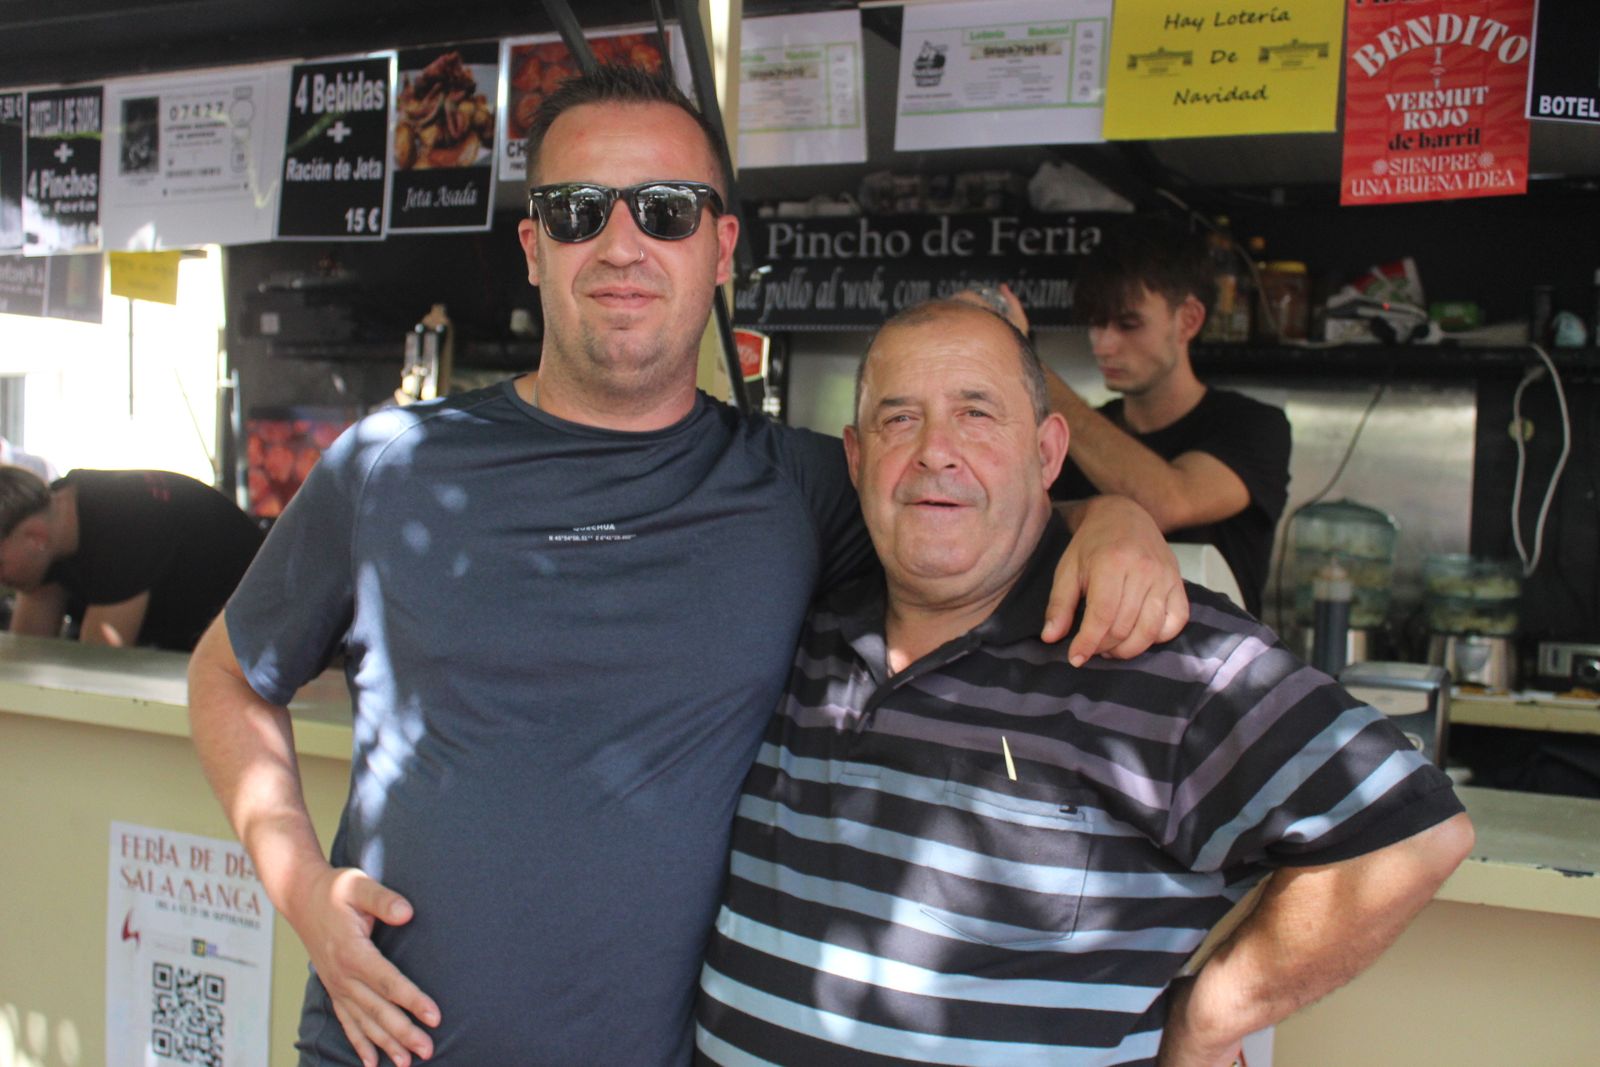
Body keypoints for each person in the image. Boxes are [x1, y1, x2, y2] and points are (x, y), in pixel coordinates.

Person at [187, 67, 1189, 1067]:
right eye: (579, 211)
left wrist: (1111, 520)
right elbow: (227, 674)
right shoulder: (389, 467)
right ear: (534, 246)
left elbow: (969, 513)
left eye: (665, 211)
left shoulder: (799, 488)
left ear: (719, 248)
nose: (621, 244)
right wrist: (300, 887)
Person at [696, 299, 1473, 1066]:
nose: (936, 450)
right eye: (900, 419)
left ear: (1047, 452)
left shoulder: (1157, 650)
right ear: (857, 459)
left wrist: (1207, 1021)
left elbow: (1412, 835)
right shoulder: (795, 629)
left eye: (976, 415)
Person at [971, 219, 1292, 617]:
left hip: (1215, 667)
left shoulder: (1253, 426)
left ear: (1189, 319)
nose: (1104, 345)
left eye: (1128, 324)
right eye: (1096, 324)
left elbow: (1167, 503)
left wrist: (1016, 359)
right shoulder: (1070, 437)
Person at [0, 465, 262, 651]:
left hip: (255, 635)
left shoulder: (123, 523)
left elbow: (100, 667)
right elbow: (28, 653)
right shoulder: (50, 519)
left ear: (36, 538)